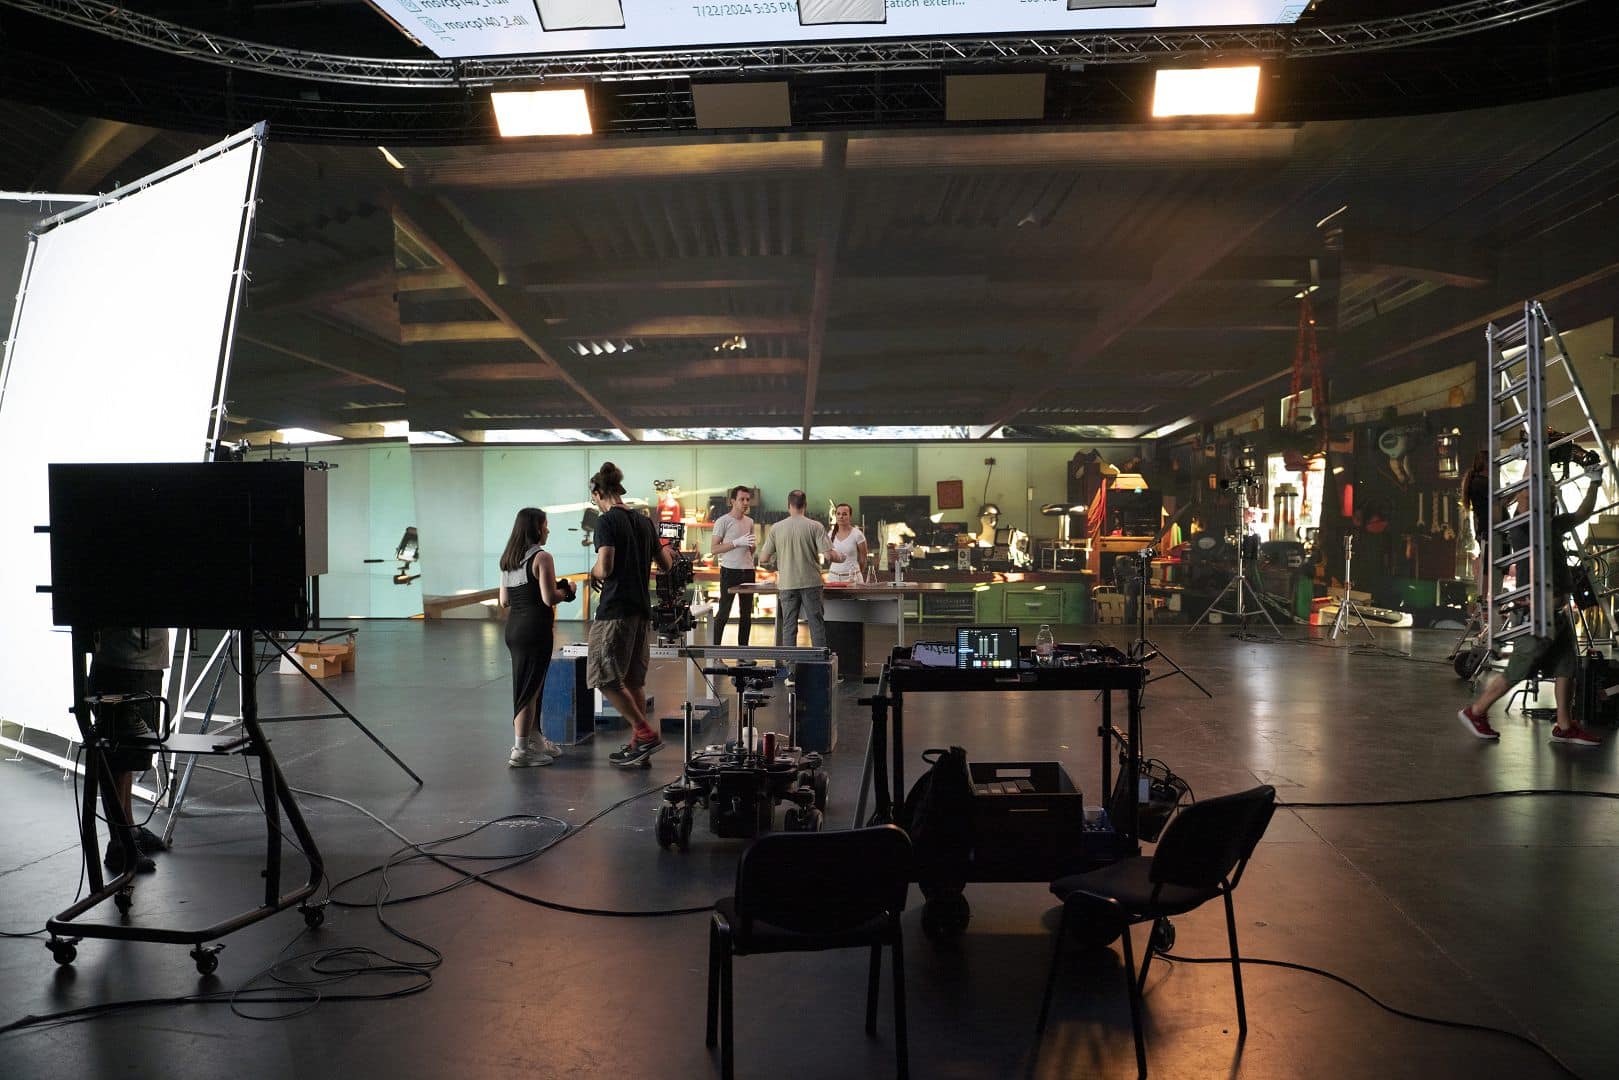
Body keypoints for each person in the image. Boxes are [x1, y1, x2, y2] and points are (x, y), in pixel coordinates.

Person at [1458, 458, 1603, 746]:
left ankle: (1564, 725)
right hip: (1536, 613)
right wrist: (1537, 454)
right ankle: (1476, 711)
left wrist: (1595, 481)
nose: (1550, 494)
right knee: (1519, 668)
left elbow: (1583, 512)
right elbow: (1526, 496)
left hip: (1558, 612)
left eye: (1550, 492)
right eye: (1543, 491)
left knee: (1566, 667)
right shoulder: (1523, 526)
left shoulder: (1553, 524)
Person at [586, 461, 674, 767]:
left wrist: (592, 571)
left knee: (604, 676)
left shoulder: (606, 522)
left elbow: (605, 566)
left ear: (599, 492)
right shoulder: (644, 522)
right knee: (634, 679)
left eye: (593, 497)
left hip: (615, 610)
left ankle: (643, 732)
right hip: (640, 610)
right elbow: (666, 565)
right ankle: (639, 744)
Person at [498, 507, 576, 768]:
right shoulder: (542, 558)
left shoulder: (509, 559)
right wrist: (568, 590)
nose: (548, 529)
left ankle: (535, 740)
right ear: (536, 528)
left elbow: (504, 600)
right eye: (545, 525)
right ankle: (521, 750)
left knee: (531, 686)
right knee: (529, 692)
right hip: (536, 629)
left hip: (515, 629)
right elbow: (548, 598)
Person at [89, 628, 171, 874]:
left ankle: (129, 830)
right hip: (122, 659)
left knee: (129, 752)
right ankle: (120, 843)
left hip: (144, 658)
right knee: (117, 753)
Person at [756, 489, 844, 648]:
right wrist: (843, 557)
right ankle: (820, 666)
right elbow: (830, 556)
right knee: (816, 625)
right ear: (805, 505)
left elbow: (763, 558)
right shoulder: (815, 526)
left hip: (787, 584)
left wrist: (779, 556)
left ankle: (791, 668)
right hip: (811, 583)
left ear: (788, 505)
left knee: (789, 627)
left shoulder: (776, 528)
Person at [710, 485, 757, 645]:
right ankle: (715, 652)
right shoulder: (723, 521)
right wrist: (736, 542)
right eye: (741, 499)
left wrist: (752, 546)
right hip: (730, 571)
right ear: (732, 501)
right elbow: (714, 548)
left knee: (746, 614)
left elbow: (751, 549)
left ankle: (743, 651)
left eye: (747, 500)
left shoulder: (750, 521)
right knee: (724, 611)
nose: (745, 503)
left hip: (748, 571)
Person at [1460, 448, 1490, 600]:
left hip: (1486, 528)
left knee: (1488, 564)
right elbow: (1497, 500)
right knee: (1488, 565)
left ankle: (1484, 597)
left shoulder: (1479, 482)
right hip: (1488, 528)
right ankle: (1484, 598)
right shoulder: (1481, 483)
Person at [826, 502, 868, 584]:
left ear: (850, 516)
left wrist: (856, 573)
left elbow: (863, 558)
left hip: (853, 579)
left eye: (844, 514)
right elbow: (828, 555)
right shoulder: (830, 534)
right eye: (838, 514)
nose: (841, 516)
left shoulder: (857, 534)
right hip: (833, 578)